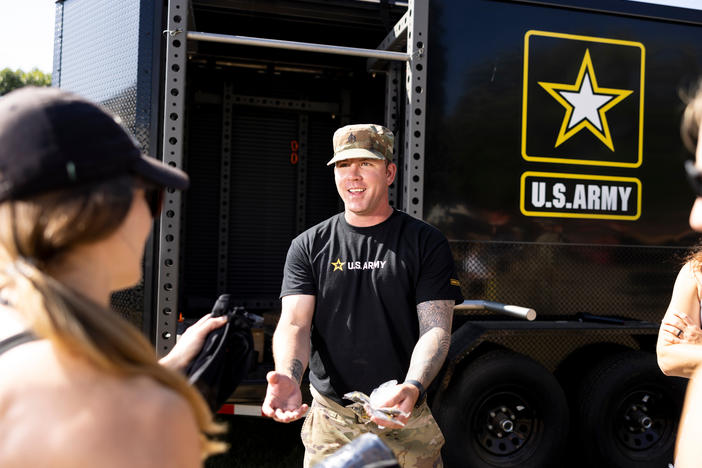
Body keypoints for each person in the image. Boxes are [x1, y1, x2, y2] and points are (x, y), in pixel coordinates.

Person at [0, 87, 227, 467]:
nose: (154, 217)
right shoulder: (143, 416)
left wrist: (169, 364)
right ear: (107, 209)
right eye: (153, 197)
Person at [261, 123, 464, 468]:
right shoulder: (308, 246)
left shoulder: (425, 242)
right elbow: (295, 323)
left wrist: (412, 387)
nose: (352, 176)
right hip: (332, 421)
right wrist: (289, 376)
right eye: (343, 165)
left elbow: (436, 329)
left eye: (366, 164)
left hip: (403, 415)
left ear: (389, 173)